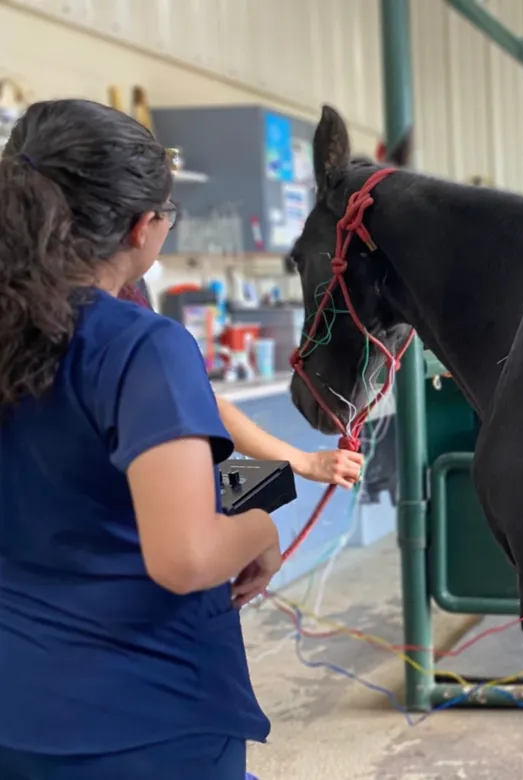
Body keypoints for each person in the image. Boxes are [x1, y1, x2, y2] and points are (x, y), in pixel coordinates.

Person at [0, 99, 276, 779]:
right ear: (142, 227)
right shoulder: (142, 346)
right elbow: (185, 556)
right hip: (146, 720)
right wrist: (261, 528)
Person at [118, 281, 364, 489]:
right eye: (166, 221)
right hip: (132, 502)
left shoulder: (118, 308)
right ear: (142, 228)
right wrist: (306, 462)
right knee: (260, 530)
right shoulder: (143, 325)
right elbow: (200, 405)